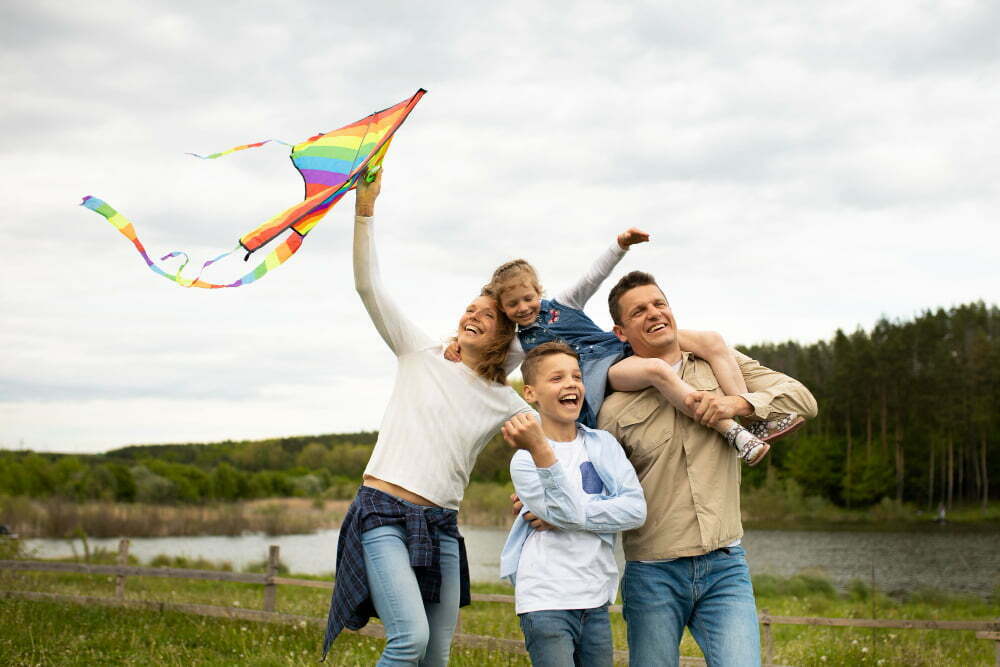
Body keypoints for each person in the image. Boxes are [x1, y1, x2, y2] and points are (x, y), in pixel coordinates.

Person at [322, 170, 535, 666]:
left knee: (436, 655)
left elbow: (561, 439)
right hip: (382, 511)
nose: (473, 315)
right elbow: (367, 286)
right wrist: (365, 211)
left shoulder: (506, 400)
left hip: (441, 524)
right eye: (470, 308)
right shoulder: (419, 351)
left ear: (505, 335)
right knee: (409, 640)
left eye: (489, 314)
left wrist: (538, 488)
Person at [597, 270, 819, 667]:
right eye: (639, 311)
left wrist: (739, 404)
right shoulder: (612, 407)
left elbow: (803, 400)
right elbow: (589, 474)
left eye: (659, 303)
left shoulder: (720, 365)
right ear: (620, 332)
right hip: (653, 573)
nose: (653, 313)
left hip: (725, 567)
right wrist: (540, 497)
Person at [454, 233, 789, 465]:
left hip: (620, 344)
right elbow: (483, 361)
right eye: (513, 305)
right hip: (603, 372)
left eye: (528, 298)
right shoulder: (518, 343)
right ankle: (731, 432)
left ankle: (751, 416)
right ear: (504, 308)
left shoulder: (565, 302)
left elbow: (594, 276)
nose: (524, 308)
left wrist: (620, 245)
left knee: (712, 340)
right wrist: (454, 346)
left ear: (538, 290)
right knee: (658, 371)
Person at [499, 341, 646, 667]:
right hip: (545, 599)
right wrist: (540, 448)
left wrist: (567, 516)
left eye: (576, 376)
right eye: (556, 378)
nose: (571, 384)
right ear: (531, 393)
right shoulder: (524, 459)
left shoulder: (602, 443)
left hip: (594, 597)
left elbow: (635, 509)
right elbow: (566, 512)